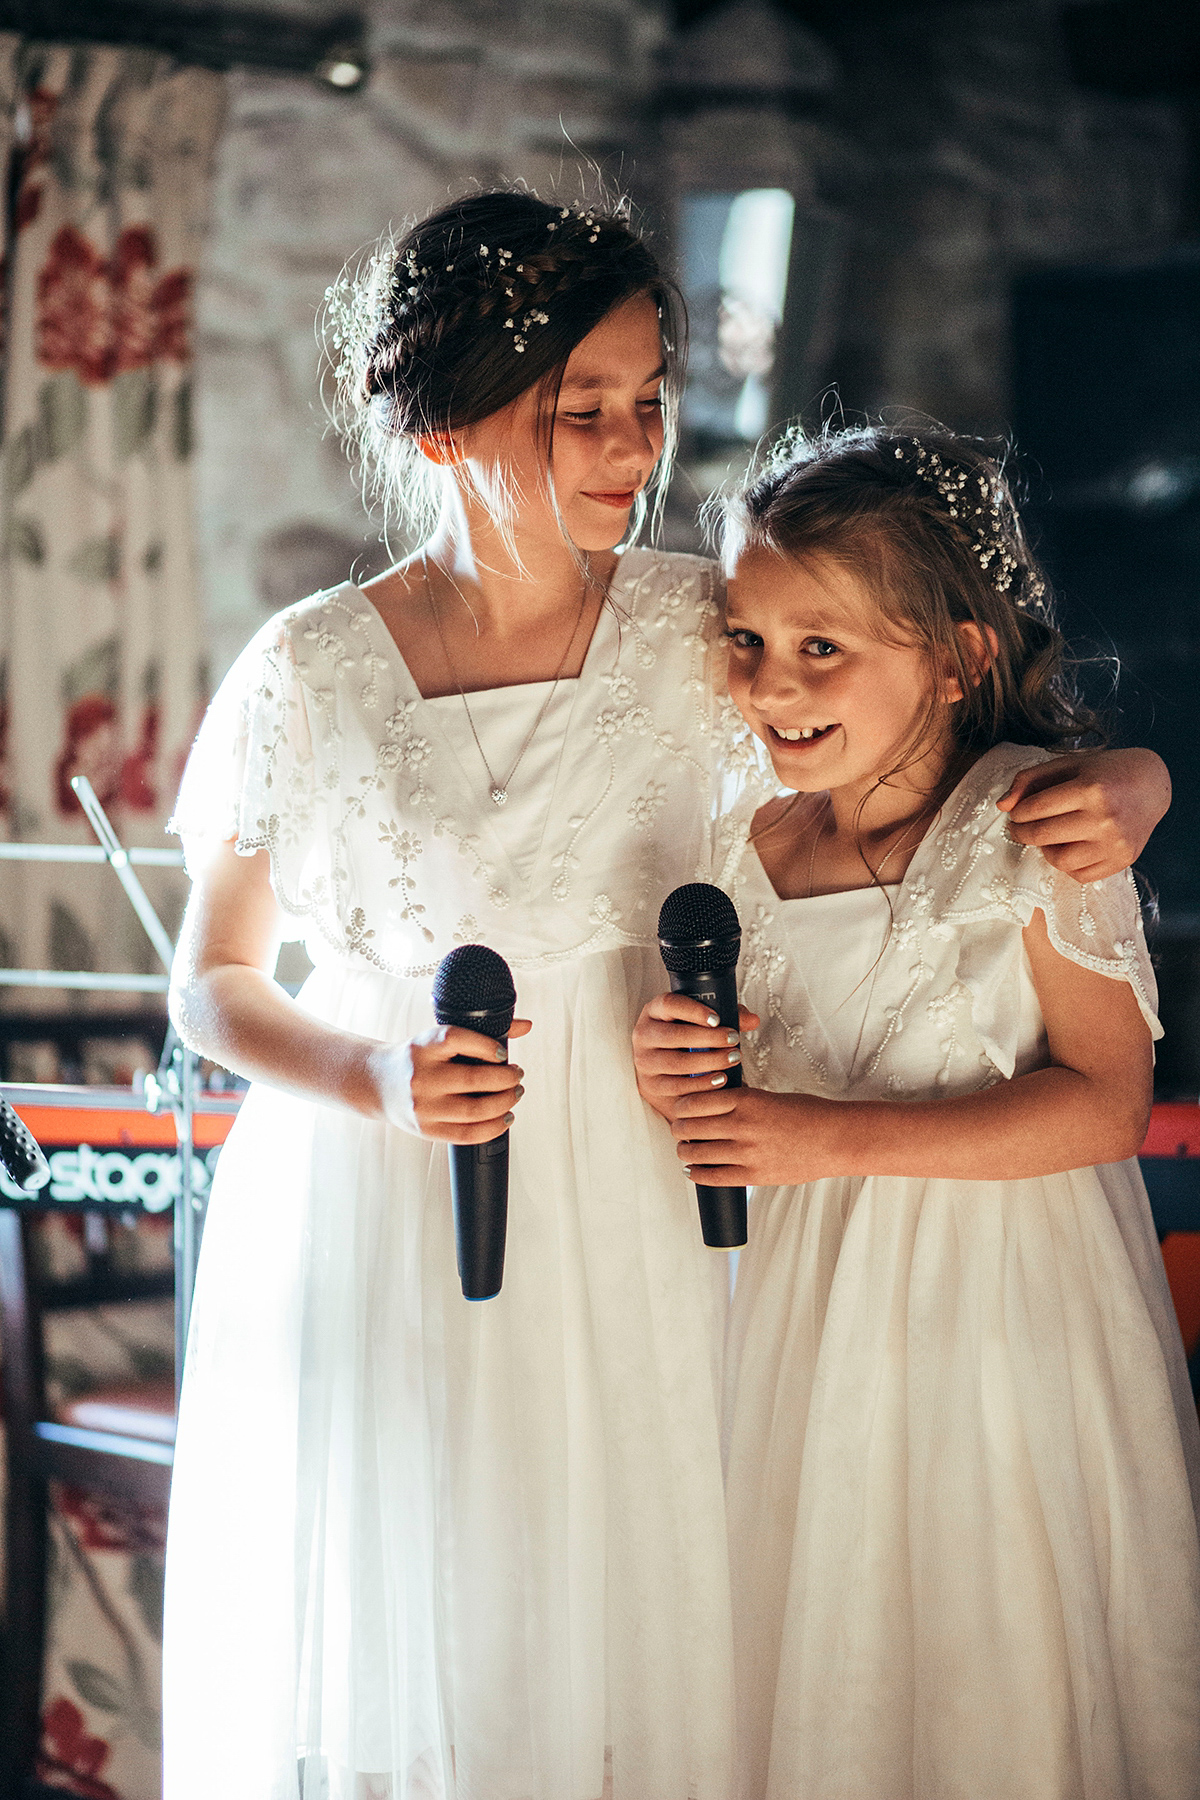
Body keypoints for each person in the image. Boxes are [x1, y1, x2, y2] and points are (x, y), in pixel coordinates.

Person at [162, 185, 1169, 1800]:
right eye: (583, 410)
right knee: (422, 1582)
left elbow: (916, 729)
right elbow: (208, 984)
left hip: (650, 1172)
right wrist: (371, 1077)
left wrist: (1126, 776)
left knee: (649, 1594)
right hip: (393, 1169)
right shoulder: (308, 671)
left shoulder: (696, 624)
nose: (633, 447)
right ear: (442, 418)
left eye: (652, 402)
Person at [633, 423, 1200, 1800]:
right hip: (790, 1317)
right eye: (753, 641)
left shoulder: (1039, 824)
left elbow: (1105, 1103)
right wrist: (672, 1073)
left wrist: (827, 1140)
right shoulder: (743, 848)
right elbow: (727, 1074)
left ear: (957, 655)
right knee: (810, 1632)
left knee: (981, 1636)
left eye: (825, 647)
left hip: (995, 1316)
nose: (775, 684)